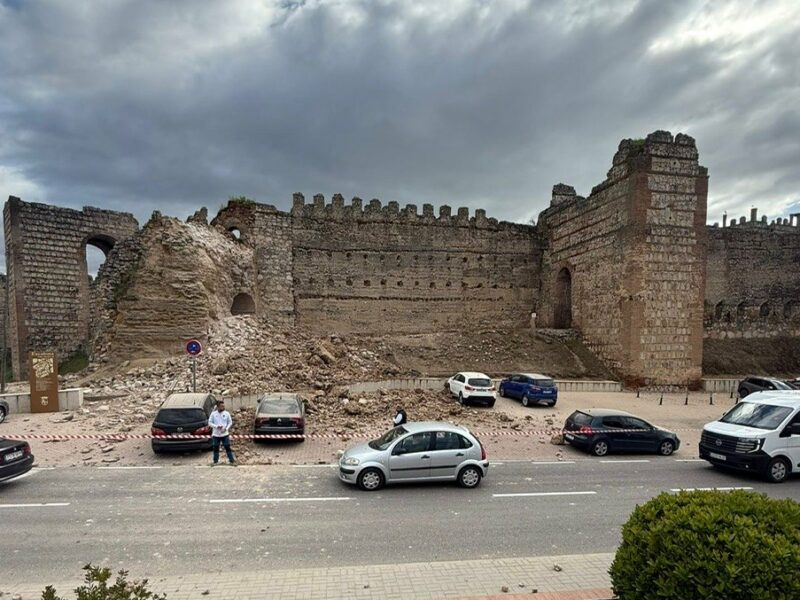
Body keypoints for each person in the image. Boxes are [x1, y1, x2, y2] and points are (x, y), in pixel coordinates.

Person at [208, 400, 236, 466]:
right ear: (217, 407)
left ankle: (232, 461)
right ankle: (215, 461)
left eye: (223, 406)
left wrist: (226, 428)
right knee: (215, 447)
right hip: (216, 434)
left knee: (227, 446)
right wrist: (216, 426)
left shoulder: (227, 413)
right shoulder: (213, 414)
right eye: (221, 406)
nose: (223, 407)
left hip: (225, 434)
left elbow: (230, 422)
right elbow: (209, 423)